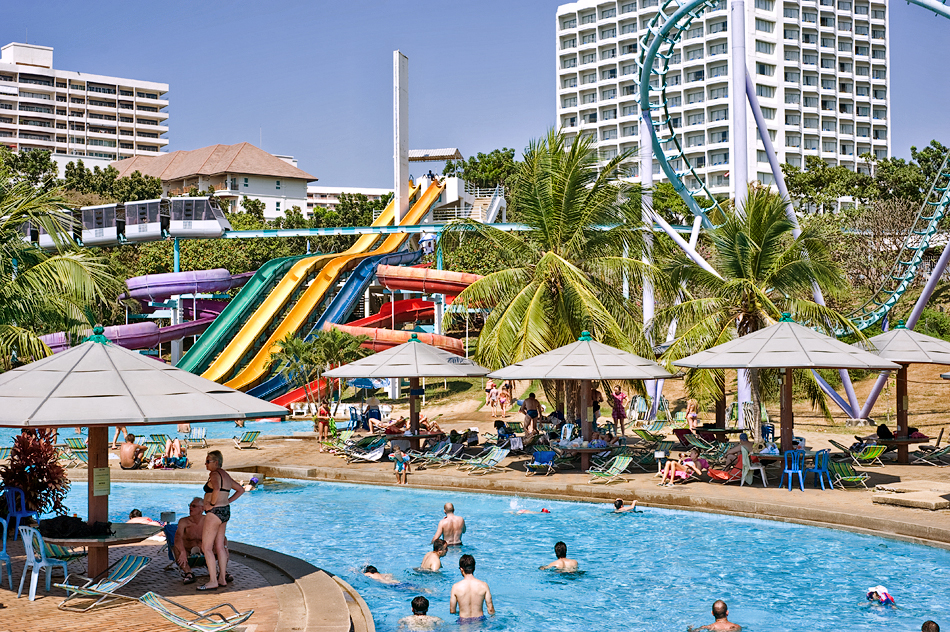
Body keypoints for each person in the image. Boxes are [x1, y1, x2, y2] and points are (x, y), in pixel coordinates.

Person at [199, 450, 244, 591]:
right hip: (225, 511)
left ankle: (213, 581)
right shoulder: (225, 475)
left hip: (214, 513)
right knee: (220, 546)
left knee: (206, 547)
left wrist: (211, 504)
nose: (205, 464)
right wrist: (227, 501)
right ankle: (222, 578)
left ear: (216, 462)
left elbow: (217, 489)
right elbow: (240, 490)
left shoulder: (214, 474)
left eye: (208, 461)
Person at [174, 497, 231, 586]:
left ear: (202, 508)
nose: (190, 508)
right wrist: (182, 551)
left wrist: (225, 547)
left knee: (223, 549)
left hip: (206, 550)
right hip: (188, 550)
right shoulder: (184, 522)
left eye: (193, 506)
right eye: (190, 505)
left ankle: (222, 573)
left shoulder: (208, 521)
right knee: (177, 549)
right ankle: (188, 573)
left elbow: (222, 537)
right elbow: (178, 537)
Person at [450, 554, 494, 622]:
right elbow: (490, 610)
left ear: (461, 569)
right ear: (474, 568)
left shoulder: (456, 587)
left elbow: (452, 611)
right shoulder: (484, 585)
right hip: (479, 620)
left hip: (463, 621)